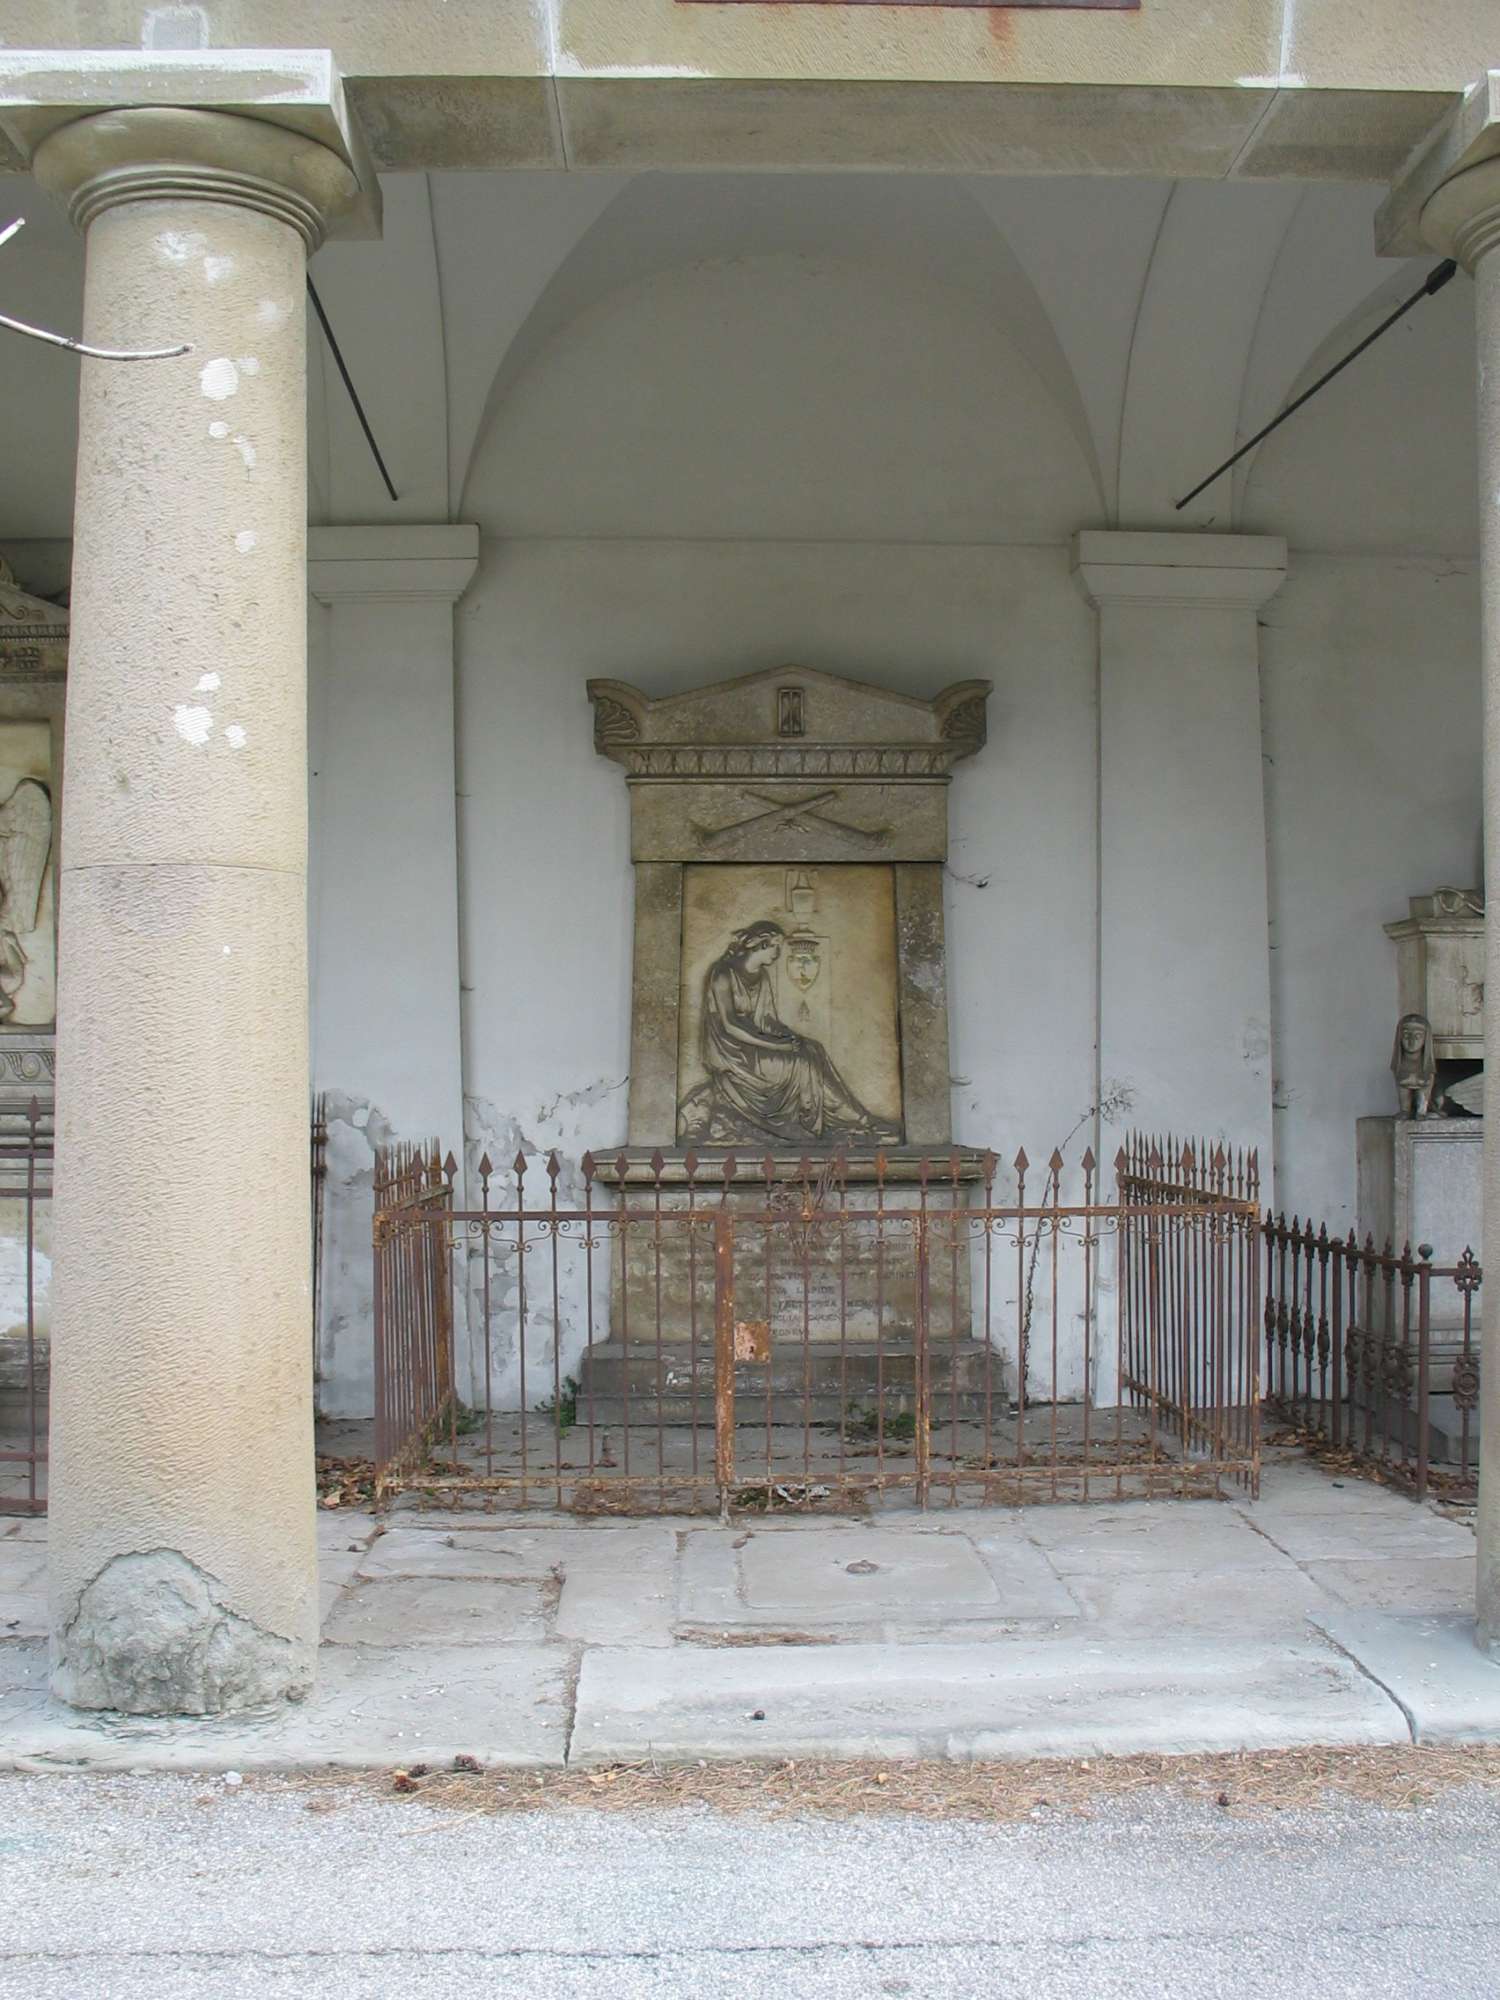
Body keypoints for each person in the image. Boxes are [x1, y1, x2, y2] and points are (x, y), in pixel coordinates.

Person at [679, 919, 899, 1144]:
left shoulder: (761, 976)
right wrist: (777, 1044)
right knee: (803, 1063)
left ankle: (855, 1118)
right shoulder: (723, 973)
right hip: (732, 1053)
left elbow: (767, 1020)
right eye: (776, 946)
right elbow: (730, 1025)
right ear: (762, 944)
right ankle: (859, 1120)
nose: (778, 953)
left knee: (813, 1048)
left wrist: (791, 1037)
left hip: (754, 1044)